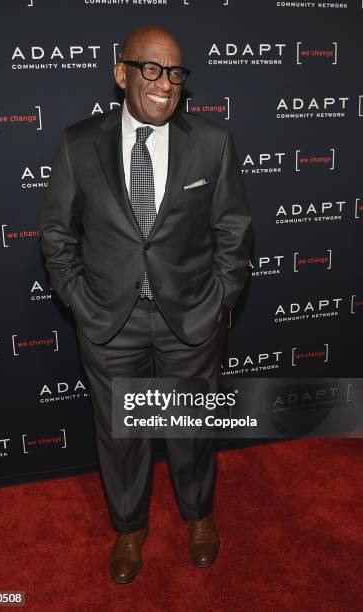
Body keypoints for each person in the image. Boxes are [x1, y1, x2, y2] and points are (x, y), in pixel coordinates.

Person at [40, 25, 252, 584]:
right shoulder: (78, 142)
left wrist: (220, 299)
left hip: (191, 319)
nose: (166, 83)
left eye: (176, 73)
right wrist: (81, 302)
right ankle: (129, 527)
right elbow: (58, 236)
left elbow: (233, 229)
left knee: (191, 428)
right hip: (111, 322)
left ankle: (198, 516)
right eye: (152, 69)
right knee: (122, 434)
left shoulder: (211, 142)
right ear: (121, 73)